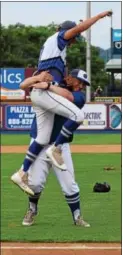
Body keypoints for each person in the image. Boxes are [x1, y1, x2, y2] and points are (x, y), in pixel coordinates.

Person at [11, 11, 112, 194]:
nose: (73, 42)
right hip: (43, 93)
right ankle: (56, 149)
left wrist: (40, 79)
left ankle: (21, 172)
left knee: (42, 138)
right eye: (72, 37)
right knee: (78, 115)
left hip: (40, 92)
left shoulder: (54, 50)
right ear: (65, 31)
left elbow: (26, 84)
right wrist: (98, 17)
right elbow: (78, 29)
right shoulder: (58, 39)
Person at [22, 69, 90, 227]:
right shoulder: (54, 84)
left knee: (69, 184)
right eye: (78, 81)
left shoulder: (79, 97)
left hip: (59, 146)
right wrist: (42, 80)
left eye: (83, 83)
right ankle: (32, 209)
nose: (81, 85)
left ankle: (77, 216)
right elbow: (27, 85)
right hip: (40, 142)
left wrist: (48, 85)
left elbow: (68, 96)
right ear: (69, 78)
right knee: (35, 183)